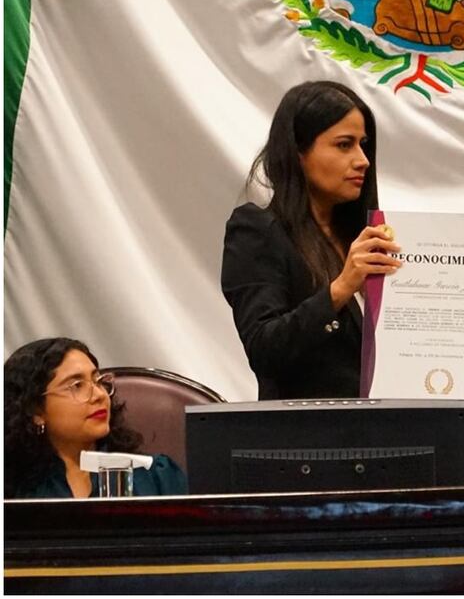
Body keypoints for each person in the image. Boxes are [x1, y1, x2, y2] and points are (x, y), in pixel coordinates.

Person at [222, 81, 401, 399]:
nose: (363, 160)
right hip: (306, 441)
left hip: (387, 431)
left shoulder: (365, 238)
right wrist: (340, 289)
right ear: (298, 152)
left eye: (363, 144)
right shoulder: (257, 230)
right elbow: (264, 349)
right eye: (344, 145)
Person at [4, 337, 187, 498]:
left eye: (98, 381)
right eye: (77, 385)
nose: (99, 395)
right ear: (35, 410)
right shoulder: (13, 488)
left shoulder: (155, 477)